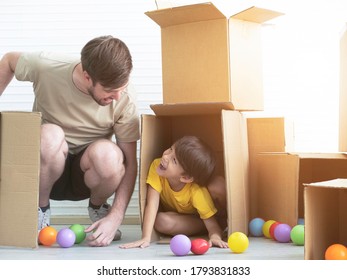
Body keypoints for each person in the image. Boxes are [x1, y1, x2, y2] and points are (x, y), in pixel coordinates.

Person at [0, 35, 140, 247]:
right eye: (110, 90)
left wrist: (117, 216)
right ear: (87, 76)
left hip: (88, 176)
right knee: (50, 136)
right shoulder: (48, 66)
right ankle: (40, 210)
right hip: (45, 168)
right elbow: (10, 60)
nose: (118, 96)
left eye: (122, 87)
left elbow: (129, 163)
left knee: (110, 155)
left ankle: (98, 209)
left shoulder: (125, 98)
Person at [120, 135, 228, 249]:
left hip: (201, 218)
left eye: (174, 160)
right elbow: (152, 203)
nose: (166, 156)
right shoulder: (157, 165)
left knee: (164, 221)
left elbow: (212, 225)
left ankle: (220, 223)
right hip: (181, 219)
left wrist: (215, 236)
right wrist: (146, 238)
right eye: (171, 149)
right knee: (161, 221)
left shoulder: (196, 191)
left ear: (186, 178)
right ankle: (209, 224)